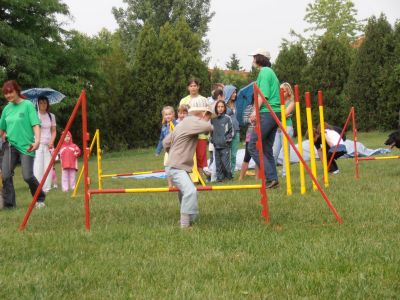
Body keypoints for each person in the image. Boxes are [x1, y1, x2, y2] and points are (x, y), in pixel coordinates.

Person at [163, 97, 212, 229]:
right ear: (202, 113)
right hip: (176, 167)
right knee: (190, 191)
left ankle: (191, 217)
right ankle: (185, 225)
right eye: (207, 114)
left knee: (186, 192)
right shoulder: (192, 121)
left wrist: (172, 152)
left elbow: (165, 142)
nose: (207, 116)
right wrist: (207, 118)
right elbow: (208, 127)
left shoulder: (182, 124)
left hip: (174, 165)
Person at [0, 80, 46, 209]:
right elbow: (1, 129)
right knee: (6, 174)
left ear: (17, 91)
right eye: (6, 94)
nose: (8, 96)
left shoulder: (27, 105)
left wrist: (37, 141)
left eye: (10, 92)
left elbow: (35, 124)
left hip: (27, 146)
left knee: (27, 176)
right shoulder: (7, 109)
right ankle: (9, 205)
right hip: (10, 146)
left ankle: (40, 197)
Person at [247, 49, 281, 189]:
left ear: (260, 58)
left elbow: (263, 95)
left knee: (253, 145)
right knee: (266, 148)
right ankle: (273, 180)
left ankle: (270, 176)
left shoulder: (265, 72)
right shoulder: (269, 72)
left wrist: (255, 112)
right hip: (274, 112)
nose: (253, 60)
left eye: (254, 57)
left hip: (268, 112)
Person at [179, 78, 209, 176]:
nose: (193, 88)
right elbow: (181, 116)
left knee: (200, 156)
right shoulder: (184, 100)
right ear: (188, 88)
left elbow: (207, 115)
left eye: (195, 85)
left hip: (201, 133)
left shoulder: (204, 100)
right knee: (188, 156)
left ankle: (200, 177)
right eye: (191, 86)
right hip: (188, 134)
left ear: (198, 87)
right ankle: (188, 177)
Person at [33, 96, 56, 193]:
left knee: (48, 166)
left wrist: (52, 140)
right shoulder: (34, 115)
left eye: (45, 103)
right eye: (41, 103)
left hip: (48, 145)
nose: (43, 105)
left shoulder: (51, 116)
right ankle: (38, 187)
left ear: (47, 104)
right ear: (37, 104)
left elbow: (54, 131)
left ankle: (46, 188)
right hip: (37, 144)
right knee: (38, 166)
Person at [272, 82, 295, 177]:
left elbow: (284, 114)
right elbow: (274, 114)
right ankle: (272, 172)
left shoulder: (291, 102)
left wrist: (281, 115)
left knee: (285, 151)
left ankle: (285, 172)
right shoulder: (277, 102)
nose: (280, 92)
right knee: (274, 151)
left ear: (288, 92)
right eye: (279, 90)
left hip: (287, 127)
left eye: (283, 90)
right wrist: (281, 115)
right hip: (277, 128)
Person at [211, 99, 233, 182]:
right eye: (218, 107)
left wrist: (227, 139)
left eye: (222, 107)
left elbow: (231, 131)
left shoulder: (227, 118)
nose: (220, 108)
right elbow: (211, 131)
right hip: (216, 145)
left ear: (224, 108)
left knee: (225, 163)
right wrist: (212, 139)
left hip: (225, 145)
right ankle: (220, 179)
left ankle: (229, 178)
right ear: (216, 108)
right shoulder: (213, 119)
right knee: (218, 163)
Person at [155, 106, 177, 188]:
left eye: (169, 114)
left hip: (176, 151)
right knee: (167, 168)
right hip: (168, 151)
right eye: (166, 114)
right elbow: (161, 140)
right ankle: (170, 185)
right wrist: (158, 151)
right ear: (164, 116)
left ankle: (177, 184)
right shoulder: (164, 127)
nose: (168, 116)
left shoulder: (177, 125)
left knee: (175, 168)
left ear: (173, 114)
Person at [239, 102, 259, 180]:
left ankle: (257, 177)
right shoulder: (249, 107)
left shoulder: (264, 107)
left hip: (260, 134)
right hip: (250, 134)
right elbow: (244, 120)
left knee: (258, 156)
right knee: (247, 156)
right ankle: (241, 177)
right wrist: (251, 119)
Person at [224, 85, 240, 175]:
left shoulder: (236, 104)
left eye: (235, 92)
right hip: (227, 132)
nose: (235, 94)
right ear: (229, 93)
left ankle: (232, 173)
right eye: (233, 92)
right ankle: (226, 172)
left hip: (236, 131)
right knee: (226, 153)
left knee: (233, 154)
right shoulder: (223, 105)